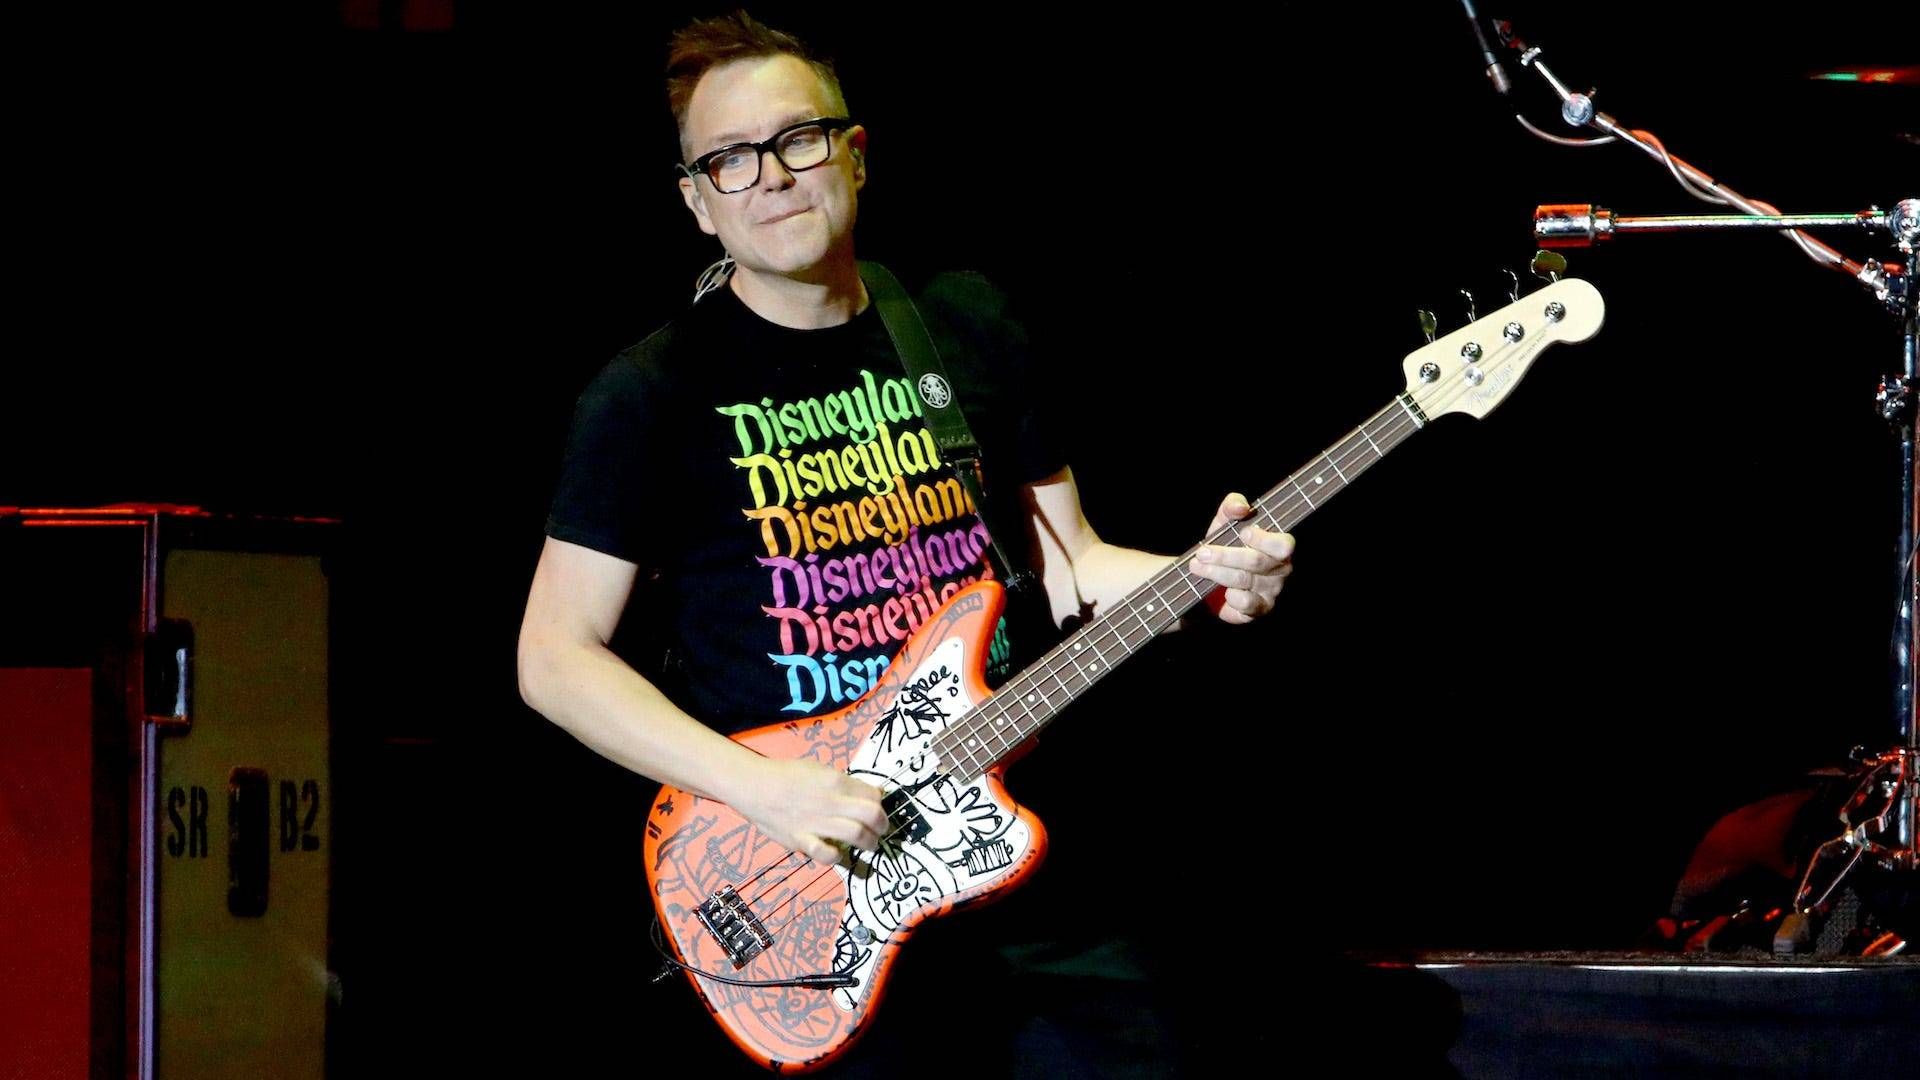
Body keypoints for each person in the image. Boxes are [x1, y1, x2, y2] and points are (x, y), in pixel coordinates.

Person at [515, 11, 1294, 1072]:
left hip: (1015, 856)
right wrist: (762, 788)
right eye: (730, 160)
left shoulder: (960, 325)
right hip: (813, 878)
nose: (771, 176)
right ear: (696, 201)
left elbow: (1070, 562)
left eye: (798, 139)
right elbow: (554, 658)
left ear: (855, 153)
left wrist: (1205, 577)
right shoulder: (649, 395)